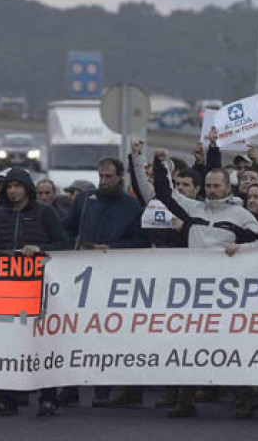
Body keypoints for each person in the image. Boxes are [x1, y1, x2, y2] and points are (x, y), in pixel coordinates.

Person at [153, 153, 258, 418]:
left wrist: (242, 247)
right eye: (209, 186)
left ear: (229, 188)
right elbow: (165, 193)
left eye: (218, 186)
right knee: (188, 344)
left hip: (226, 294)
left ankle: (245, 398)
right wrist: (161, 165)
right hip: (192, 292)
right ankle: (185, 400)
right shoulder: (194, 209)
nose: (212, 191)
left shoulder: (240, 214)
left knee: (226, 346)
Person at [0, 167, 69, 417]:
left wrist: (39, 249)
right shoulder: (0, 214)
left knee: (41, 342)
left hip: (38, 285)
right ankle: (6, 399)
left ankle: (48, 398)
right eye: (9, 187)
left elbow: (64, 244)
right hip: (7, 288)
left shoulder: (45, 212)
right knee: (6, 344)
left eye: (17, 186)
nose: (12, 191)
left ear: (27, 188)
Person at [63, 157, 149, 408]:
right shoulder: (85, 200)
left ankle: (103, 388)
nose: (104, 181)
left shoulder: (132, 206)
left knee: (106, 336)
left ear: (120, 176)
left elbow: (141, 242)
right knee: (74, 333)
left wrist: (113, 248)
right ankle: (70, 389)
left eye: (109, 177)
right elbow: (67, 229)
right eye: (100, 176)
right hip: (81, 277)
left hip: (114, 280)